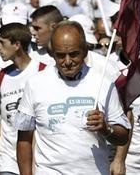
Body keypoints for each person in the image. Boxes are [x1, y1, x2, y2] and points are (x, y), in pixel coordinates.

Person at [14, 21, 130, 175]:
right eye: (61, 55)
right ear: (52, 53)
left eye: (74, 54)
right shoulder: (36, 84)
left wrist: (106, 128)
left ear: (85, 51)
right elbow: (24, 139)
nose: (67, 62)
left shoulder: (103, 82)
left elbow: (123, 137)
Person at [0, 23, 48, 175]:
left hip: (37, 161)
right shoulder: (0, 76)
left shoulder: (43, 71)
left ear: (17, 45)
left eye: (2, 43)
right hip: (8, 162)